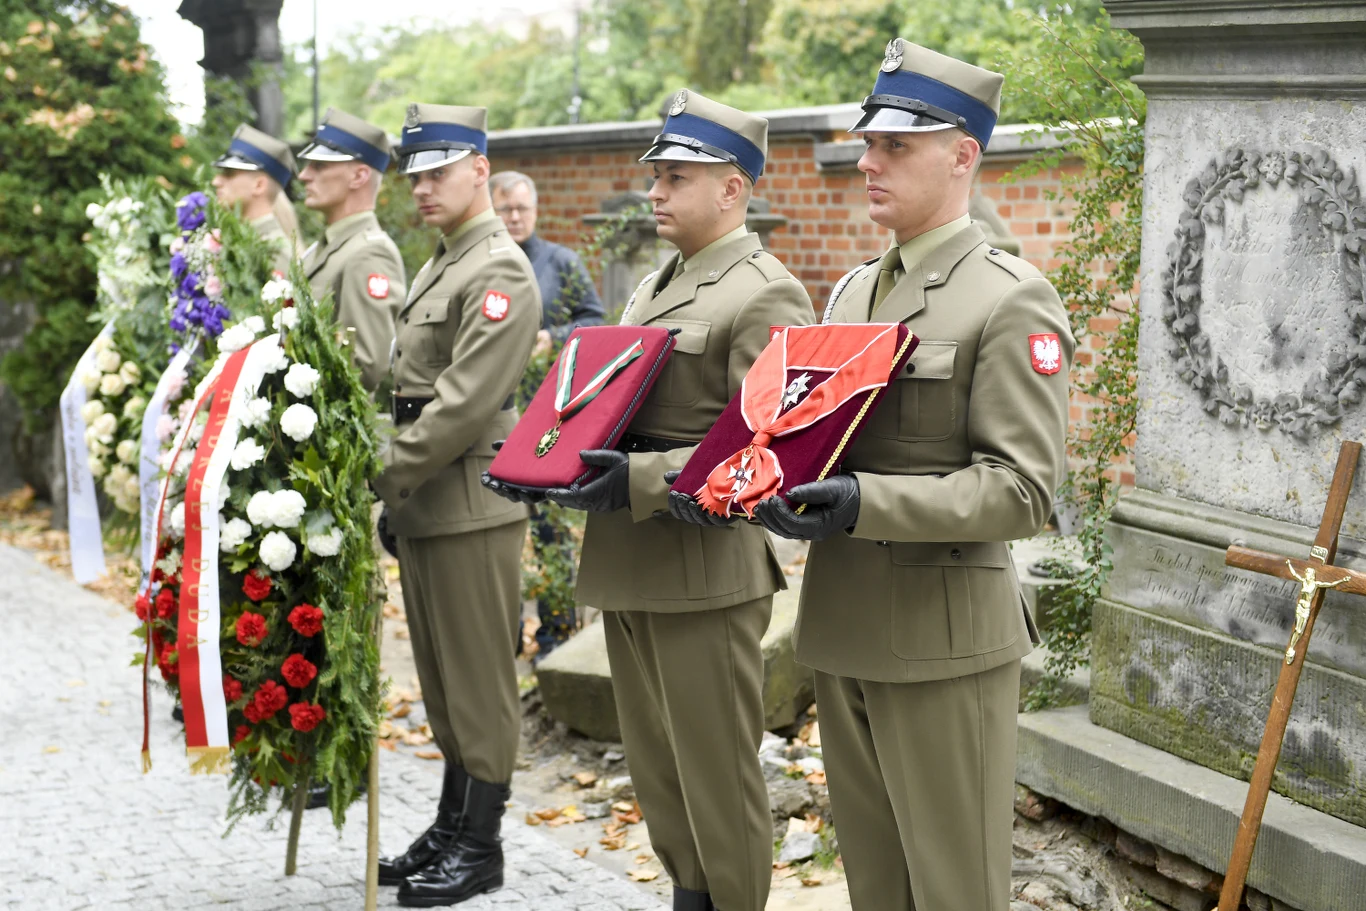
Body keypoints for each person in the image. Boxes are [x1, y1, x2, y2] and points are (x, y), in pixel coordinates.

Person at [748, 39, 1074, 911]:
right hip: (845, 625)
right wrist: (760, 482)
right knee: (877, 888)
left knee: (955, 888)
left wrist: (863, 503)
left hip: (943, 643)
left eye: (896, 144)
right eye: (870, 142)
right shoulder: (853, 292)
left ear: (963, 154)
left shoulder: (1010, 298)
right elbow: (821, 441)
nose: (867, 160)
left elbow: (1021, 490)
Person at [492, 90, 814, 911]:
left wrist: (633, 480)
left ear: (732, 189)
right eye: (656, 176)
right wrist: (546, 457)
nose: (656, 193)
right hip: (632, 561)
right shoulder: (652, 284)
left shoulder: (764, 291)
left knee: (716, 773)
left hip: (704, 570)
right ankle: (689, 894)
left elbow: (761, 452)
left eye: (675, 176)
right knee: (660, 771)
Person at [370, 104, 540, 907]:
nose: (424, 189)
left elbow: (463, 405)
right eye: (416, 176)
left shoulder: (497, 269)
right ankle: (451, 823)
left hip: (470, 503)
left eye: (439, 172)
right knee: (441, 684)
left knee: (478, 686)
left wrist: (380, 472)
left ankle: (481, 844)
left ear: (480, 167)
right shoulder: (440, 262)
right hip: (427, 504)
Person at [488, 169, 605, 658]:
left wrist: (552, 340)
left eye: (522, 209)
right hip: (494, 411)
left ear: (534, 211)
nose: (514, 218)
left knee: (551, 529)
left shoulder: (562, 262)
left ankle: (557, 635)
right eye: (505, 208)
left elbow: (594, 320)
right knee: (502, 529)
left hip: (551, 415)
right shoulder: (485, 264)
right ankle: (506, 636)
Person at [298, 107, 406, 394]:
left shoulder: (369, 254)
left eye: (318, 166)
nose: (303, 176)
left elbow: (364, 367)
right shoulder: (319, 249)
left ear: (359, 176)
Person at [211, 124, 303, 274]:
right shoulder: (239, 240)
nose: (216, 181)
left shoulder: (276, 254)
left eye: (229, 173)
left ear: (259, 185)